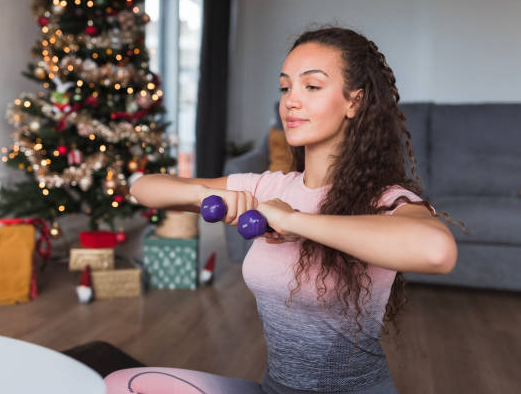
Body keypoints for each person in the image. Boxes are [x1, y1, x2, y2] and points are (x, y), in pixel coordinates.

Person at [104, 26, 465, 394]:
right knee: (122, 385)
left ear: (354, 102)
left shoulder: (386, 200)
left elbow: (437, 251)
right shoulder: (269, 187)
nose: (291, 101)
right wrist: (205, 194)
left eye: (311, 86)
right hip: (274, 389)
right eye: (285, 87)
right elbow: (143, 188)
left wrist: (294, 221)